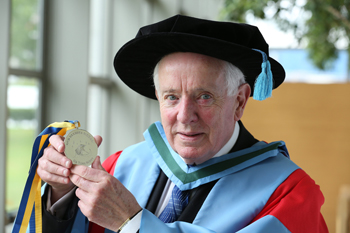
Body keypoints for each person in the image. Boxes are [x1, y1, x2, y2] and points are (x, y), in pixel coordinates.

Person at [36, 15, 328, 232]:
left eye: (204, 96)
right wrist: (61, 193)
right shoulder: (123, 165)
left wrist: (133, 223)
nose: (185, 115)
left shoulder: (288, 194)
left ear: (239, 101)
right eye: (172, 97)